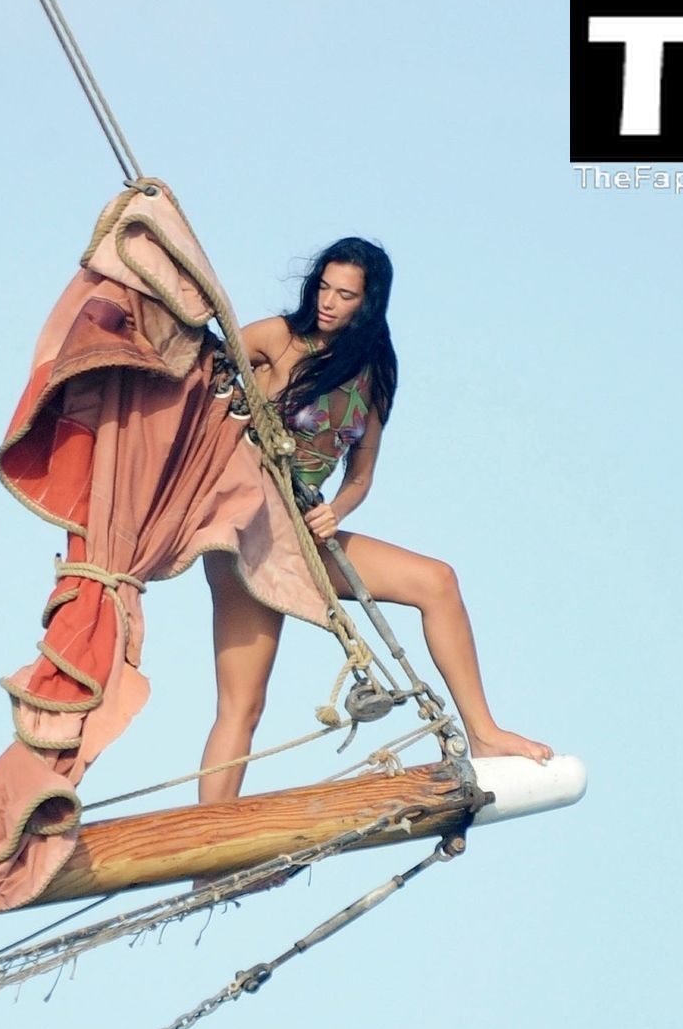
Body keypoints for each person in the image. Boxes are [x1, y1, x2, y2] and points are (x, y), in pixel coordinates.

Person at [199, 237, 552, 804]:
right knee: (243, 705)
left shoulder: (373, 373)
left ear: (368, 303)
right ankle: (208, 839)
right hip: (246, 531)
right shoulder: (276, 338)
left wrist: (334, 511)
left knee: (437, 581)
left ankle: (484, 733)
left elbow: (360, 477)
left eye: (345, 295)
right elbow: (200, 375)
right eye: (323, 288)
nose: (328, 302)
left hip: (306, 534)